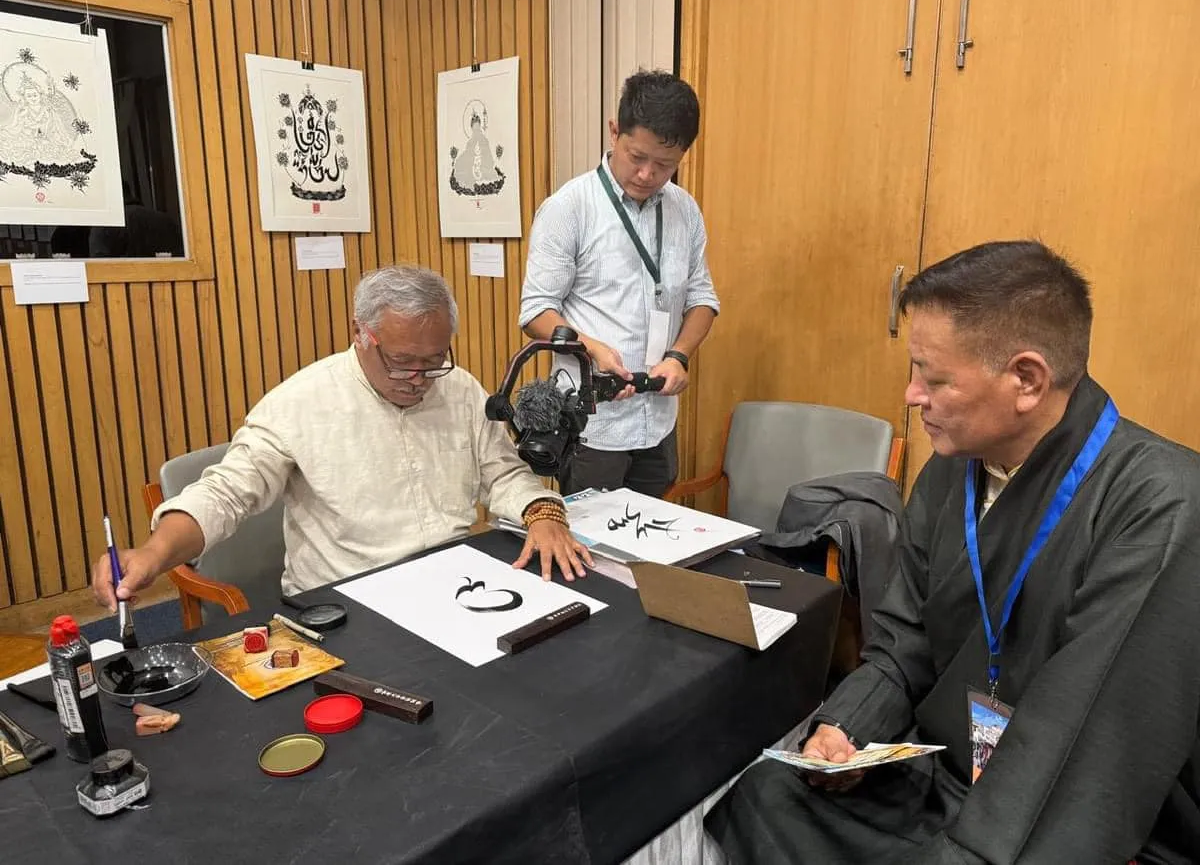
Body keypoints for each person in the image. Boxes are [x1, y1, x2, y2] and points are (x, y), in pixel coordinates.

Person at [706, 241, 1200, 863]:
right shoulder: (953, 469)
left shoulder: (1160, 503)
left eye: (932, 377)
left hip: (1063, 811)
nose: (911, 396)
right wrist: (850, 727)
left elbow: (1091, 745)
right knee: (770, 791)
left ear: (1026, 379)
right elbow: (906, 638)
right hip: (950, 773)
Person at [91, 266, 592, 611]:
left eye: (433, 359)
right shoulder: (302, 402)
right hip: (347, 602)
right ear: (360, 332)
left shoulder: (457, 388)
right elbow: (226, 493)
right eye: (402, 361)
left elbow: (501, 471)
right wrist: (152, 555)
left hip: (453, 584)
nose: (418, 377)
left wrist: (540, 513)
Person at [519, 69, 720, 498]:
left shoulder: (685, 210)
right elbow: (536, 311)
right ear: (615, 132)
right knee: (593, 554)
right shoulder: (569, 208)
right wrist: (591, 348)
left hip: (659, 420)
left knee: (651, 549)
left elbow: (702, 299)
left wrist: (678, 356)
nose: (647, 174)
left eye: (665, 165)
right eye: (636, 157)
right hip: (593, 424)